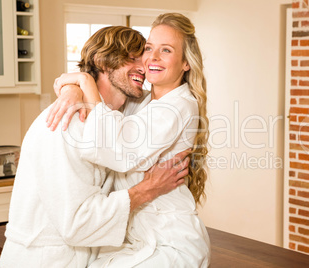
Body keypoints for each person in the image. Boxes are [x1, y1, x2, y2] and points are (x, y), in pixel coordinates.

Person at [0, 26, 191, 267]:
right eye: (132, 59)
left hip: (86, 256)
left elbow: (167, 102)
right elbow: (77, 222)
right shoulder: (65, 123)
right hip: (44, 260)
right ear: (103, 61)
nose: (144, 67)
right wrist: (147, 189)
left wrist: (76, 84)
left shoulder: (121, 114)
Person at [50, 13, 211, 267]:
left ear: (185, 63)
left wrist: (84, 81)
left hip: (170, 243)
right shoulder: (143, 102)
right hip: (134, 240)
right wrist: (73, 87)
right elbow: (108, 99)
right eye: (149, 48)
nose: (153, 58)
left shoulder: (179, 106)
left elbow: (119, 150)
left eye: (166, 50)